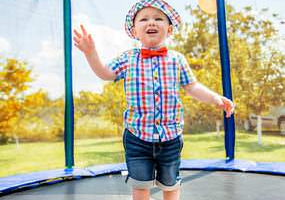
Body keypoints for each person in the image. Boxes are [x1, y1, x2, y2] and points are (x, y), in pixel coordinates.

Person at [73, 0, 235, 199]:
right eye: (144, 19)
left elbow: (192, 86)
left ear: (169, 29)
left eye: (158, 18)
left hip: (171, 136)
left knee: (170, 184)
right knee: (140, 186)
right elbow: (105, 73)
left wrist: (216, 99)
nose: (151, 22)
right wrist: (91, 53)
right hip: (137, 136)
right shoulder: (128, 58)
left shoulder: (177, 59)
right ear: (134, 30)